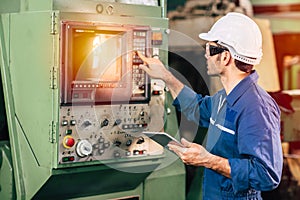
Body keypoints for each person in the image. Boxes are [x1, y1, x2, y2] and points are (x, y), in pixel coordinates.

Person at [137, 12, 283, 199]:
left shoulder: (256, 107)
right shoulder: (224, 97)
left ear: (225, 57)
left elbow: (266, 175)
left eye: (210, 48)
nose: (205, 54)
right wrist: (165, 76)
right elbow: (197, 108)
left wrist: (208, 160)